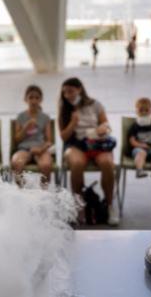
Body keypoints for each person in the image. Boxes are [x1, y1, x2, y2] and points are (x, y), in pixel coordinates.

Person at [58, 77, 119, 225]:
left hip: (97, 142)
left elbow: (106, 124)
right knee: (77, 164)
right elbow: (63, 136)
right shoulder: (65, 108)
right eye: (65, 92)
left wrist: (103, 128)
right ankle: (79, 206)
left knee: (107, 163)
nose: (68, 95)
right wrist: (73, 123)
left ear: (79, 89)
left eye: (70, 91)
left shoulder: (95, 104)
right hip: (75, 143)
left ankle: (110, 205)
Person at [11, 85, 53, 188]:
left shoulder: (45, 117)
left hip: (41, 149)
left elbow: (49, 141)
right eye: (31, 97)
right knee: (17, 163)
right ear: (25, 99)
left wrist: (41, 149)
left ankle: (44, 194)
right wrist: (26, 127)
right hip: (24, 149)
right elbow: (16, 139)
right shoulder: (21, 117)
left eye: (37, 98)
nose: (34, 101)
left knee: (46, 165)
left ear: (41, 100)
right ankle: (23, 193)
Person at [127, 98, 151, 178]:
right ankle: (139, 170)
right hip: (139, 149)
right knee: (141, 153)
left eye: (146, 110)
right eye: (141, 110)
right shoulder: (135, 126)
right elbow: (132, 141)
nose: (144, 112)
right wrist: (140, 145)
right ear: (137, 111)